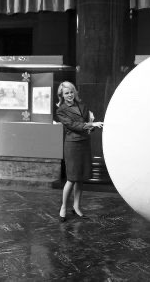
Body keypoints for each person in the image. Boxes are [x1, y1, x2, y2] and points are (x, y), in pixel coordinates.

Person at [56, 81, 103, 222]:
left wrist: (92, 124)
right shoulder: (61, 110)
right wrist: (90, 124)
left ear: (74, 92)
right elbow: (73, 125)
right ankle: (63, 207)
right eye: (66, 93)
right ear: (62, 95)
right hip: (72, 145)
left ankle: (76, 207)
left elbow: (86, 127)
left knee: (80, 177)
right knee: (71, 178)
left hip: (84, 143)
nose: (69, 95)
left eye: (71, 92)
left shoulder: (82, 106)